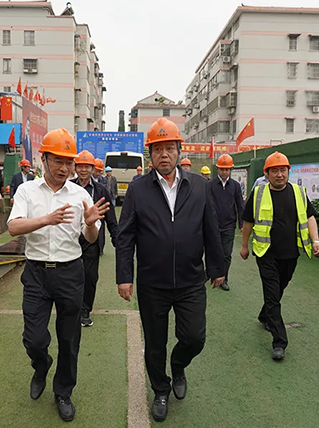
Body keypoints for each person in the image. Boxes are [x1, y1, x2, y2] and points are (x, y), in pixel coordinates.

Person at [116, 117, 224, 422]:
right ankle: (161, 390)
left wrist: (217, 267)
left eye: (169, 148)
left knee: (194, 338)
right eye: (157, 149)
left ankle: (178, 366)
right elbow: (125, 236)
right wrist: (125, 276)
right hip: (152, 283)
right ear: (150, 154)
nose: (164, 154)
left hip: (191, 280)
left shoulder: (200, 186)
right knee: (155, 344)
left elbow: (211, 228)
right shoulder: (138, 189)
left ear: (179, 150)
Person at [7, 128, 109, 422]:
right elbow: (13, 227)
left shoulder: (80, 195)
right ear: (44, 159)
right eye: (58, 161)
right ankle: (41, 366)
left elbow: (90, 238)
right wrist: (46, 220)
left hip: (70, 273)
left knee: (69, 339)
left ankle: (63, 392)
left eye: (69, 162)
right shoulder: (27, 191)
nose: (65, 168)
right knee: (34, 339)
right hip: (36, 274)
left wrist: (89, 224)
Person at [240, 151, 319, 361]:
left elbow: (310, 217)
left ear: (288, 171)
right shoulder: (258, 193)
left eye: (283, 170)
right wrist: (244, 246)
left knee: (278, 290)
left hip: (291, 254)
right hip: (266, 253)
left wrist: (316, 240)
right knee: (272, 295)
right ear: (266, 174)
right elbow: (248, 221)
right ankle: (279, 342)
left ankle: (264, 315)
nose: (279, 174)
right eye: (274, 171)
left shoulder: (298, 192)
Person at [72, 150, 119, 327]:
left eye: (87, 167)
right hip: (71, 239)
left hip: (92, 240)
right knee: (70, 276)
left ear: (93, 169)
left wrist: (118, 241)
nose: (83, 170)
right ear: (75, 168)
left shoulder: (101, 190)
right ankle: (72, 309)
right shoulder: (67, 187)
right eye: (80, 166)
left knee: (90, 277)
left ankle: (85, 310)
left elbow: (111, 219)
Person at [207, 154, 244, 291]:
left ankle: (224, 279)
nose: (224, 172)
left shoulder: (236, 186)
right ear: (218, 169)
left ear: (230, 170)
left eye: (227, 169)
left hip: (229, 225)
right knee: (212, 251)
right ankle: (212, 274)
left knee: (226, 254)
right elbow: (205, 204)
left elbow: (240, 205)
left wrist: (241, 223)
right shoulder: (209, 185)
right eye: (222, 169)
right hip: (213, 225)